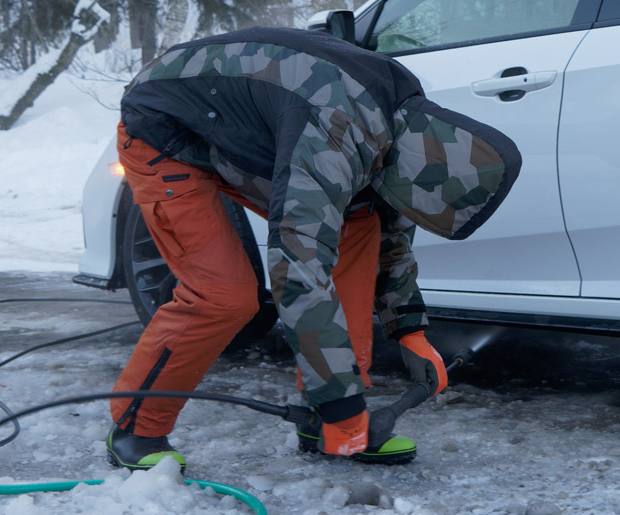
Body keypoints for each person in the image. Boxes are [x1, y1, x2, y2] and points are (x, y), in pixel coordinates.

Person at [106, 25, 521, 469]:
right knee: (225, 295)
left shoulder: (407, 131)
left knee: (360, 224)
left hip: (250, 124)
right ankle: (136, 426)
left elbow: (390, 236)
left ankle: (329, 420)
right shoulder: (336, 134)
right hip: (166, 130)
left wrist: (411, 332)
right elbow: (297, 263)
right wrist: (342, 405)